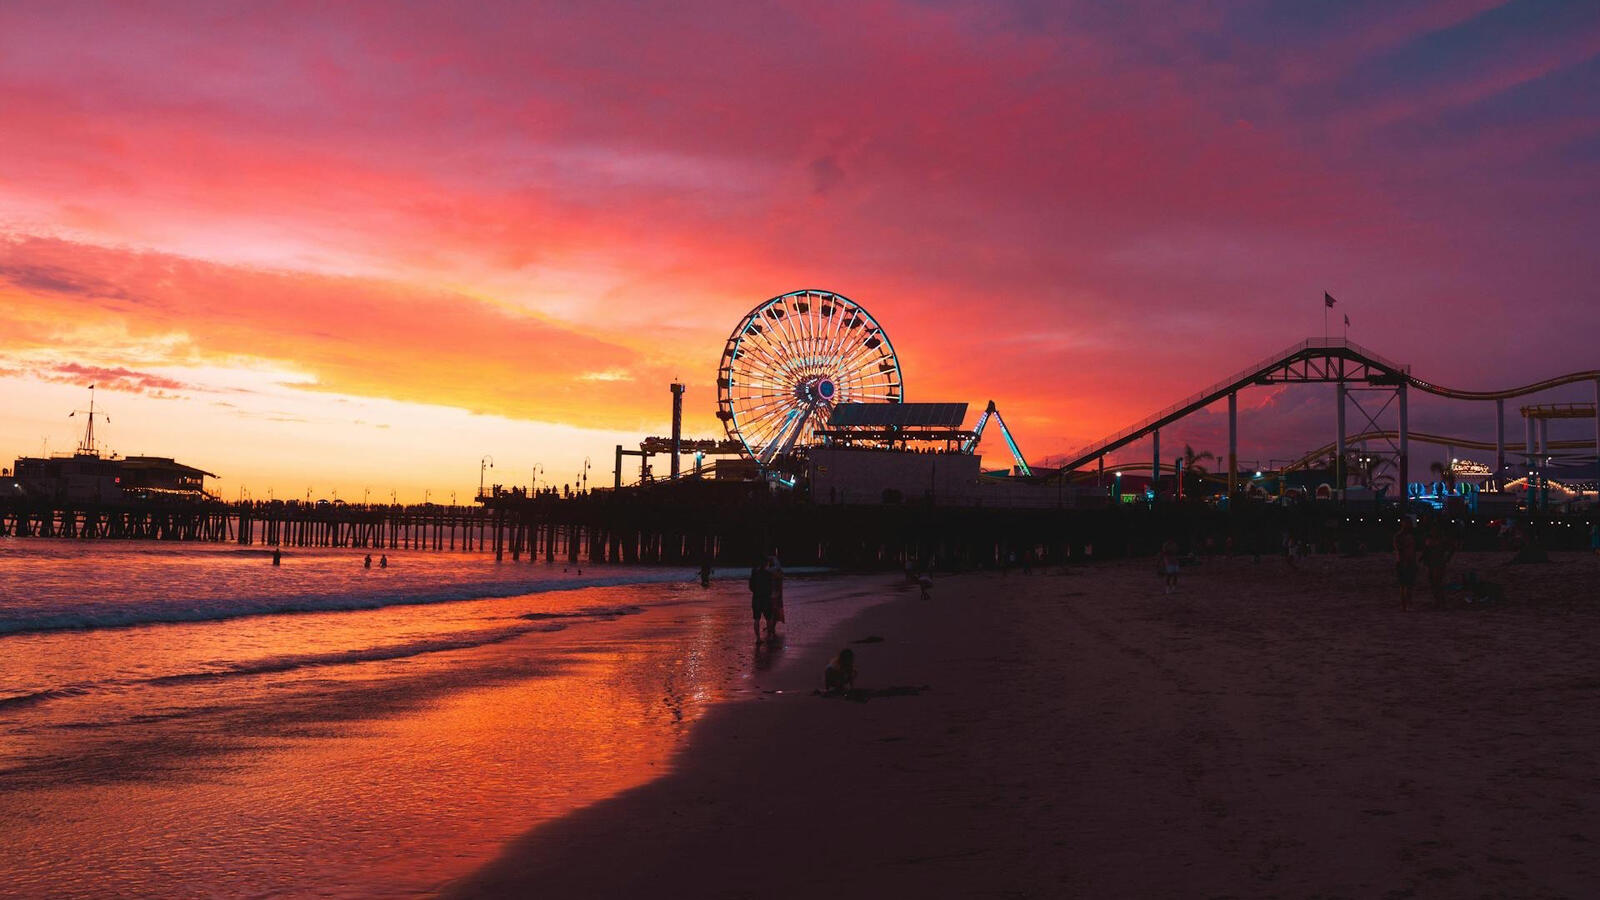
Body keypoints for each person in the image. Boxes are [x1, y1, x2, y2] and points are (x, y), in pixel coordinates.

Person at [1394, 518, 1418, 611]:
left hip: (1410, 561)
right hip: (1403, 562)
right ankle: (1405, 605)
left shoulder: (1410, 535)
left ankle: (1407, 604)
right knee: (1404, 585)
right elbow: (1399, 549)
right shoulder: (1399, 536)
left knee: (1409, 585)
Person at [748, 558, 773, 642]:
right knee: (769, 618)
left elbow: (751, 587)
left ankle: (758, 638)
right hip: (766, 598)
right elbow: (771, 587)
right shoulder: (768, 574)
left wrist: (756, 591)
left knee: (756, 619)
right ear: (766, 564)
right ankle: (769, 636)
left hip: (756, 598)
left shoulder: (754, 574)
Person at [766, 553, 785, 637]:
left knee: (771, 613)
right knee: (775, 613)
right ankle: (772, 628)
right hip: (777, 595)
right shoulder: (777, 572)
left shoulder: (768, 571)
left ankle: (771, 628)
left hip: (770, 595)